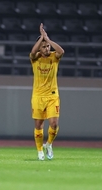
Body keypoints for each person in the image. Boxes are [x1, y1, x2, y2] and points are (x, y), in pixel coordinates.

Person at [29, 23, 64, 160]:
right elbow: (32, 52)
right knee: (38, 125)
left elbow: (61, 51)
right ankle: (39, 151)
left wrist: (47, 39)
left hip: (52, 95)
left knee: (54, 124)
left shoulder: (54, 57)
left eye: (47, 46)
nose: (46, 48)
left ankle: (49, 144)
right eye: (43, 46)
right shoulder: (35, 58)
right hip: (38, 96)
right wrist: (41, 38)